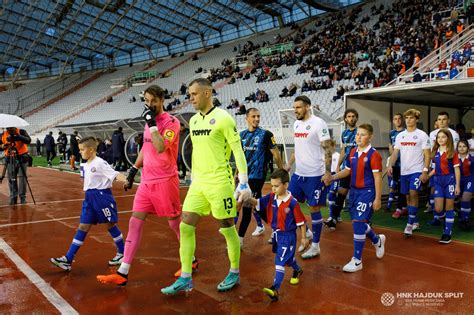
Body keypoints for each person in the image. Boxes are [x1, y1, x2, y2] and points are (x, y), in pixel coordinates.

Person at [161, 78, 252, 295]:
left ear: (207, 93)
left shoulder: (223, 118)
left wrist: (244, 182)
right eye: (189, 94)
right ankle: (185, 277)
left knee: (227, 227)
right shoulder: (193, 121)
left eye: (193, 94)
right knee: (185, 226)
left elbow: (237, 151)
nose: (189, 97)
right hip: (198, 183)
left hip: (220, 182)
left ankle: (234, 271)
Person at [97, 85, 183, 286]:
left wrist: (152, 123)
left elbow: (161, 146)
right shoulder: (148, 122)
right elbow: (147, 146)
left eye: (154, 101)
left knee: (175, 224)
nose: (150, 105)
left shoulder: (172, 122)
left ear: (162, 99)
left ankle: (191, 260)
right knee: (135, 222)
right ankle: (123, 272)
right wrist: (134, 169)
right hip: (146, 181)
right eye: (147, 101)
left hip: (165, 180)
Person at [50, 137, 128, 271]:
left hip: (102, 197)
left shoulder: (99, 163)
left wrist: (126, 180)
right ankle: (68, 259)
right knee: (83, 226)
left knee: (110, 225)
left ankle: (123, 253)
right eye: (79, 150)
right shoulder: (85, 165)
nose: (80, 152)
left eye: (82, 149)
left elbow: (114, 174)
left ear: (91, 150)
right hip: (89, 198)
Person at [246, 169, 307, 301]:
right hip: (277, 235)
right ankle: (297, 269)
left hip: (288, 237)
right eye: (272, 185)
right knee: (288, 259)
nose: (273, 188)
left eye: (276, 186)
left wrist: (303, 238)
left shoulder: (292, 203)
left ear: (285, 185)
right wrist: (246, 197)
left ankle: (275, 289)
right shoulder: (272, 197)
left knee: (279, 261)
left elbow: (301, 222)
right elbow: (257, 203)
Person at [331, 124, 386, 272]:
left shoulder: (374, 155)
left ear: (370, 137)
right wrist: (333, 177)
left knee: (358, 223)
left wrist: (378, 198)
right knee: (358, 223)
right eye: (357, 135)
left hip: (367, 192)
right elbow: (347, 171)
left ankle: (357, 260)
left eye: (363, 134)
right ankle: (377, 240)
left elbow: (378, 178)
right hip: (354, 192)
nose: (359, 137)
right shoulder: (353, 152)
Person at [284, 95, 333, 259]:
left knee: (314, 209)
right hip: (299, 174)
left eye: (298, 107)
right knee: (288, 203)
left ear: (307, 107)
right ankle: (308, 231)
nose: (295, 110)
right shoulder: (297, 123)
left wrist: (328, 172)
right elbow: (298, 148)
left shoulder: (319, 123)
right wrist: (289, 163)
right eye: (294, 107)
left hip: (315, 175)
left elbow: (327, 149)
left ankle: (316, 246)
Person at [235, 108, 283, 245]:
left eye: (258, 116)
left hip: (257, 176)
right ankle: (276, 227)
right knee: (257, 205)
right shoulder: (241, 135)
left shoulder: (266, 134)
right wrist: (235, 175)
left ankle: (240, 240)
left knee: (246, 206)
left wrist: (281, 172)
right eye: (253, 116)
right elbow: (240, 158)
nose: (256, 119)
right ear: (247, 118)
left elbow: (276, 154)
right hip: (244, 177)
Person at [388, 109, 431, 237]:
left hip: (416, 171)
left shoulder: (422, 135)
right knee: (407, 196)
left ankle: (409, 225)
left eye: (411, 118)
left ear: (416, 120)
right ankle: (415, 221)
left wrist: (425, 171)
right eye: (407, 117)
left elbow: (427, 155)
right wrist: (390, 164)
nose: (408, 120)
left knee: (413, 194)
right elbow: (395, 153)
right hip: (403, 171)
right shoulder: (400, 136)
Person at [324, 109, 358, 230]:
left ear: (356, 118)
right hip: (346, 168)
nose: (351, 118)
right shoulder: (344, 133)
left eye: (353, 116)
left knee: (357, 194)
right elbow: (344, 149)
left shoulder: (360, 132)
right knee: (341, 193)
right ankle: (333, 218)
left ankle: (364, 220)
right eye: (349, 116)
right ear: (345, 119)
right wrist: (339, 164)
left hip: (358, 169)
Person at [428, 129, 460, 244]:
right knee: (438, 209)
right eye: (438, 137)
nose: (440, 139)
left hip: (450, 180)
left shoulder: (452, 152)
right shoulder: (435, 151)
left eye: (443, 137)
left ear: (448, 138)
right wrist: (427, 175)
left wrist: (457, 185)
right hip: (438, 181)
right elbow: (435, 168)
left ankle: (447, 233)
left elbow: (457, 169)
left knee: (449, 207)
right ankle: (447, 220)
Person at [0, 127, 31, 205]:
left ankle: (22, 197)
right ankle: (13, 197)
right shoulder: (2, 135)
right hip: (10, 158)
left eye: (11, 128)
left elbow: (28, 140)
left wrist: (18, 137)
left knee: (22, 178)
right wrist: (2, 146)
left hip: (22, 157)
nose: (10, 129)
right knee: (11, 178)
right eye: (8, 128)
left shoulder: (21, 131)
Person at [388, 113, 407, 217]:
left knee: (403, 187)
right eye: (395, 119)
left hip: (405, 165)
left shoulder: (406, 132)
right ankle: (403, 207)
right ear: (393, 121)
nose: (398, 120)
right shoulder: (391, 133)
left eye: (399, 119)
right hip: (396, 164)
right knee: (397, 187)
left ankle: (400, 208)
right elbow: (392, 149)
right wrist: (391, 164)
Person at [456, 140, 473, 231]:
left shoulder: (472, 159)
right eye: (459, 146)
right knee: (459, 200)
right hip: (458, 181)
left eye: (464, 146)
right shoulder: (453, 159)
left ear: (467, 148)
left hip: (470, 180)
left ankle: (465, 220)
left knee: (465, 199)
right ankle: (461, 217)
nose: (462, 148)